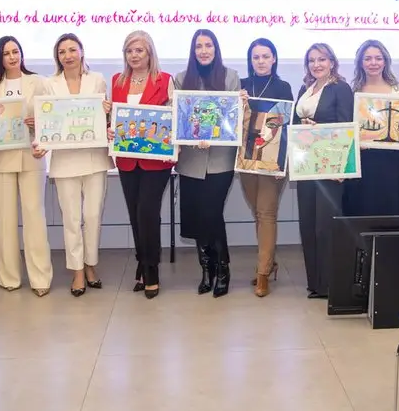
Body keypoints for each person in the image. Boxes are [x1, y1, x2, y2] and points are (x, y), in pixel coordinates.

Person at [32, 33, 112, 298]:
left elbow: (105, 120)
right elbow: (45, 121)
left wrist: (109, 111)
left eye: (72, 50)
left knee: (93, 216)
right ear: (57, 56)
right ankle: (77, 271)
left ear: (81, 52)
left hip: (95, 158)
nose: (68, 55)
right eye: (62, 51)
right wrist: (40, 141)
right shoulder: (49, 84)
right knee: (71, 219)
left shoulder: (97, 80)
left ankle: (90, 265)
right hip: (65, 161)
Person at [0, 36, 53, 296]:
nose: (12, 57)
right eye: (6, 53)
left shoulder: (38, 82)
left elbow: (51, 116)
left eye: (15, 51)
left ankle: (40, 278)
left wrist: (38, 123)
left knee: (35, 217)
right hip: (0, 159)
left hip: (31, 155)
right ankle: (9, 277)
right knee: (4, 220)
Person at [107, 30, 174, 299]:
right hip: (127, 160)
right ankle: (142, 261)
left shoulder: (165, 80)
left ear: (150, 53)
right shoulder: (117, 81)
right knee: (135, 214)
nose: (134, 56)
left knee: (147, 212)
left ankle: (151, 269)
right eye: (129, 51)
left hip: (156, 161)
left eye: (139, 50)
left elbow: (174, 118)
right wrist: (110, 128)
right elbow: (114, 119)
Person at [175, 29, 241, 298]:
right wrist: (192, 136)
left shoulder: (230, 76)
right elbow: (179, 117)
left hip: (220, 160)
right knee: (196, 215)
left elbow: (234, 117)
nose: (204, 51)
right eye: (199, 46)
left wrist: (240, 106)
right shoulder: (181, 79)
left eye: (208, 45)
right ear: (193, 51)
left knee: (212, 213)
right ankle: (206, 269)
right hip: (190, 160)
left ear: (216, 48)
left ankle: (223, 269)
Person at [294, 42, 354, 299]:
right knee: (308, 224)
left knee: (325, 226)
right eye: (312, 60)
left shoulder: (341, 88)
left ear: (332, 62)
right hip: (306, 165)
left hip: (330, 166)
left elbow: (346, 125)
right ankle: (315, 283)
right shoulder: (305, 88)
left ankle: (330, 284)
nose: (316, 64)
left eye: (322, 59)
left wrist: (340, 167)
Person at [238, 38, 294, 298]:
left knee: (266, 212)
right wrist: (238, 103)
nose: (260, 61)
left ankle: (262, 274)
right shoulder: (241, 86)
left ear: (274, 59)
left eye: (265, 56)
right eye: (256, 57)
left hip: (273, 159)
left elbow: (287, 124)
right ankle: (269, 262)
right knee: (258, 213)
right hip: (246, 158)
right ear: (250, 60)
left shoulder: (283, 87)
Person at [347, 40, 399, 217]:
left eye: (378, 58)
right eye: (367, 58)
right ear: (360, 62)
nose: (373, 63)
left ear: (385, 61)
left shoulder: (398, 91)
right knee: (364, 208)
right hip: (364, 161)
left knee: (392, 207)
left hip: (392, 160)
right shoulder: (353, 92)